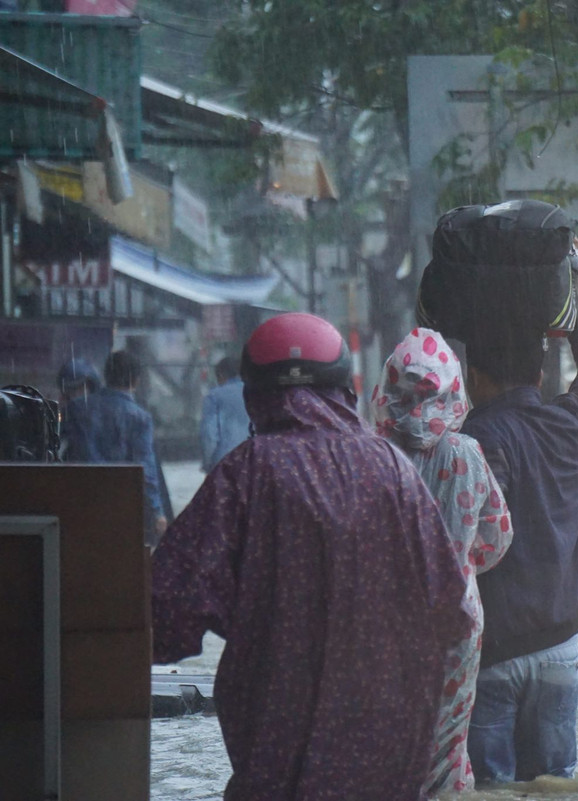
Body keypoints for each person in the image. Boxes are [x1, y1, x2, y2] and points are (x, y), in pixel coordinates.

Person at [152, 312, 470, 801]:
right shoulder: (394, 471)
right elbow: (452, 610)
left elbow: (166, 614)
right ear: (346, 393)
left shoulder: (244, 475)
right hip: (387, 745)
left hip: (276, 745)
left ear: (254, 398)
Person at [463, 289, 578, 783]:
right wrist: (577, 300)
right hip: (560, 652)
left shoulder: (472, 444)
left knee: (488, 791)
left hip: (493, 657)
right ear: (540, 374)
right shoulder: (573, 426)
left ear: (472, 378)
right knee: (556, 787)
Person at [373, 327, 513, 796]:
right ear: (454, 389)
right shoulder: (466, 454)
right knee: (448, 743)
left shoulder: (369, 458)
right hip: (456, 616)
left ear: (388, 389)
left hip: (384, 620)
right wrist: (460, 561)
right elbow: (497, 537)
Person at [88, 351, 167, 546]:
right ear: (135, 380)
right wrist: (157, 511)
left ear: (106, 375)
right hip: (123, 500)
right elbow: (145, 468)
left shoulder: (82, 408)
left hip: (85, 497)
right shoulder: (140, 417)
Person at [199, 355, 251, 473]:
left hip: (225, 462)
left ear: (221, 375)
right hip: (254, 459)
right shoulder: (256, 393)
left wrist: (208, 463)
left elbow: (209, 435)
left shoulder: (214, 396)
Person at [56, 357, 101, 462]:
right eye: (69, 390)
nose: (74, 396)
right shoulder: (66, 419)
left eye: (79, 389)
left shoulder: (102, 418)